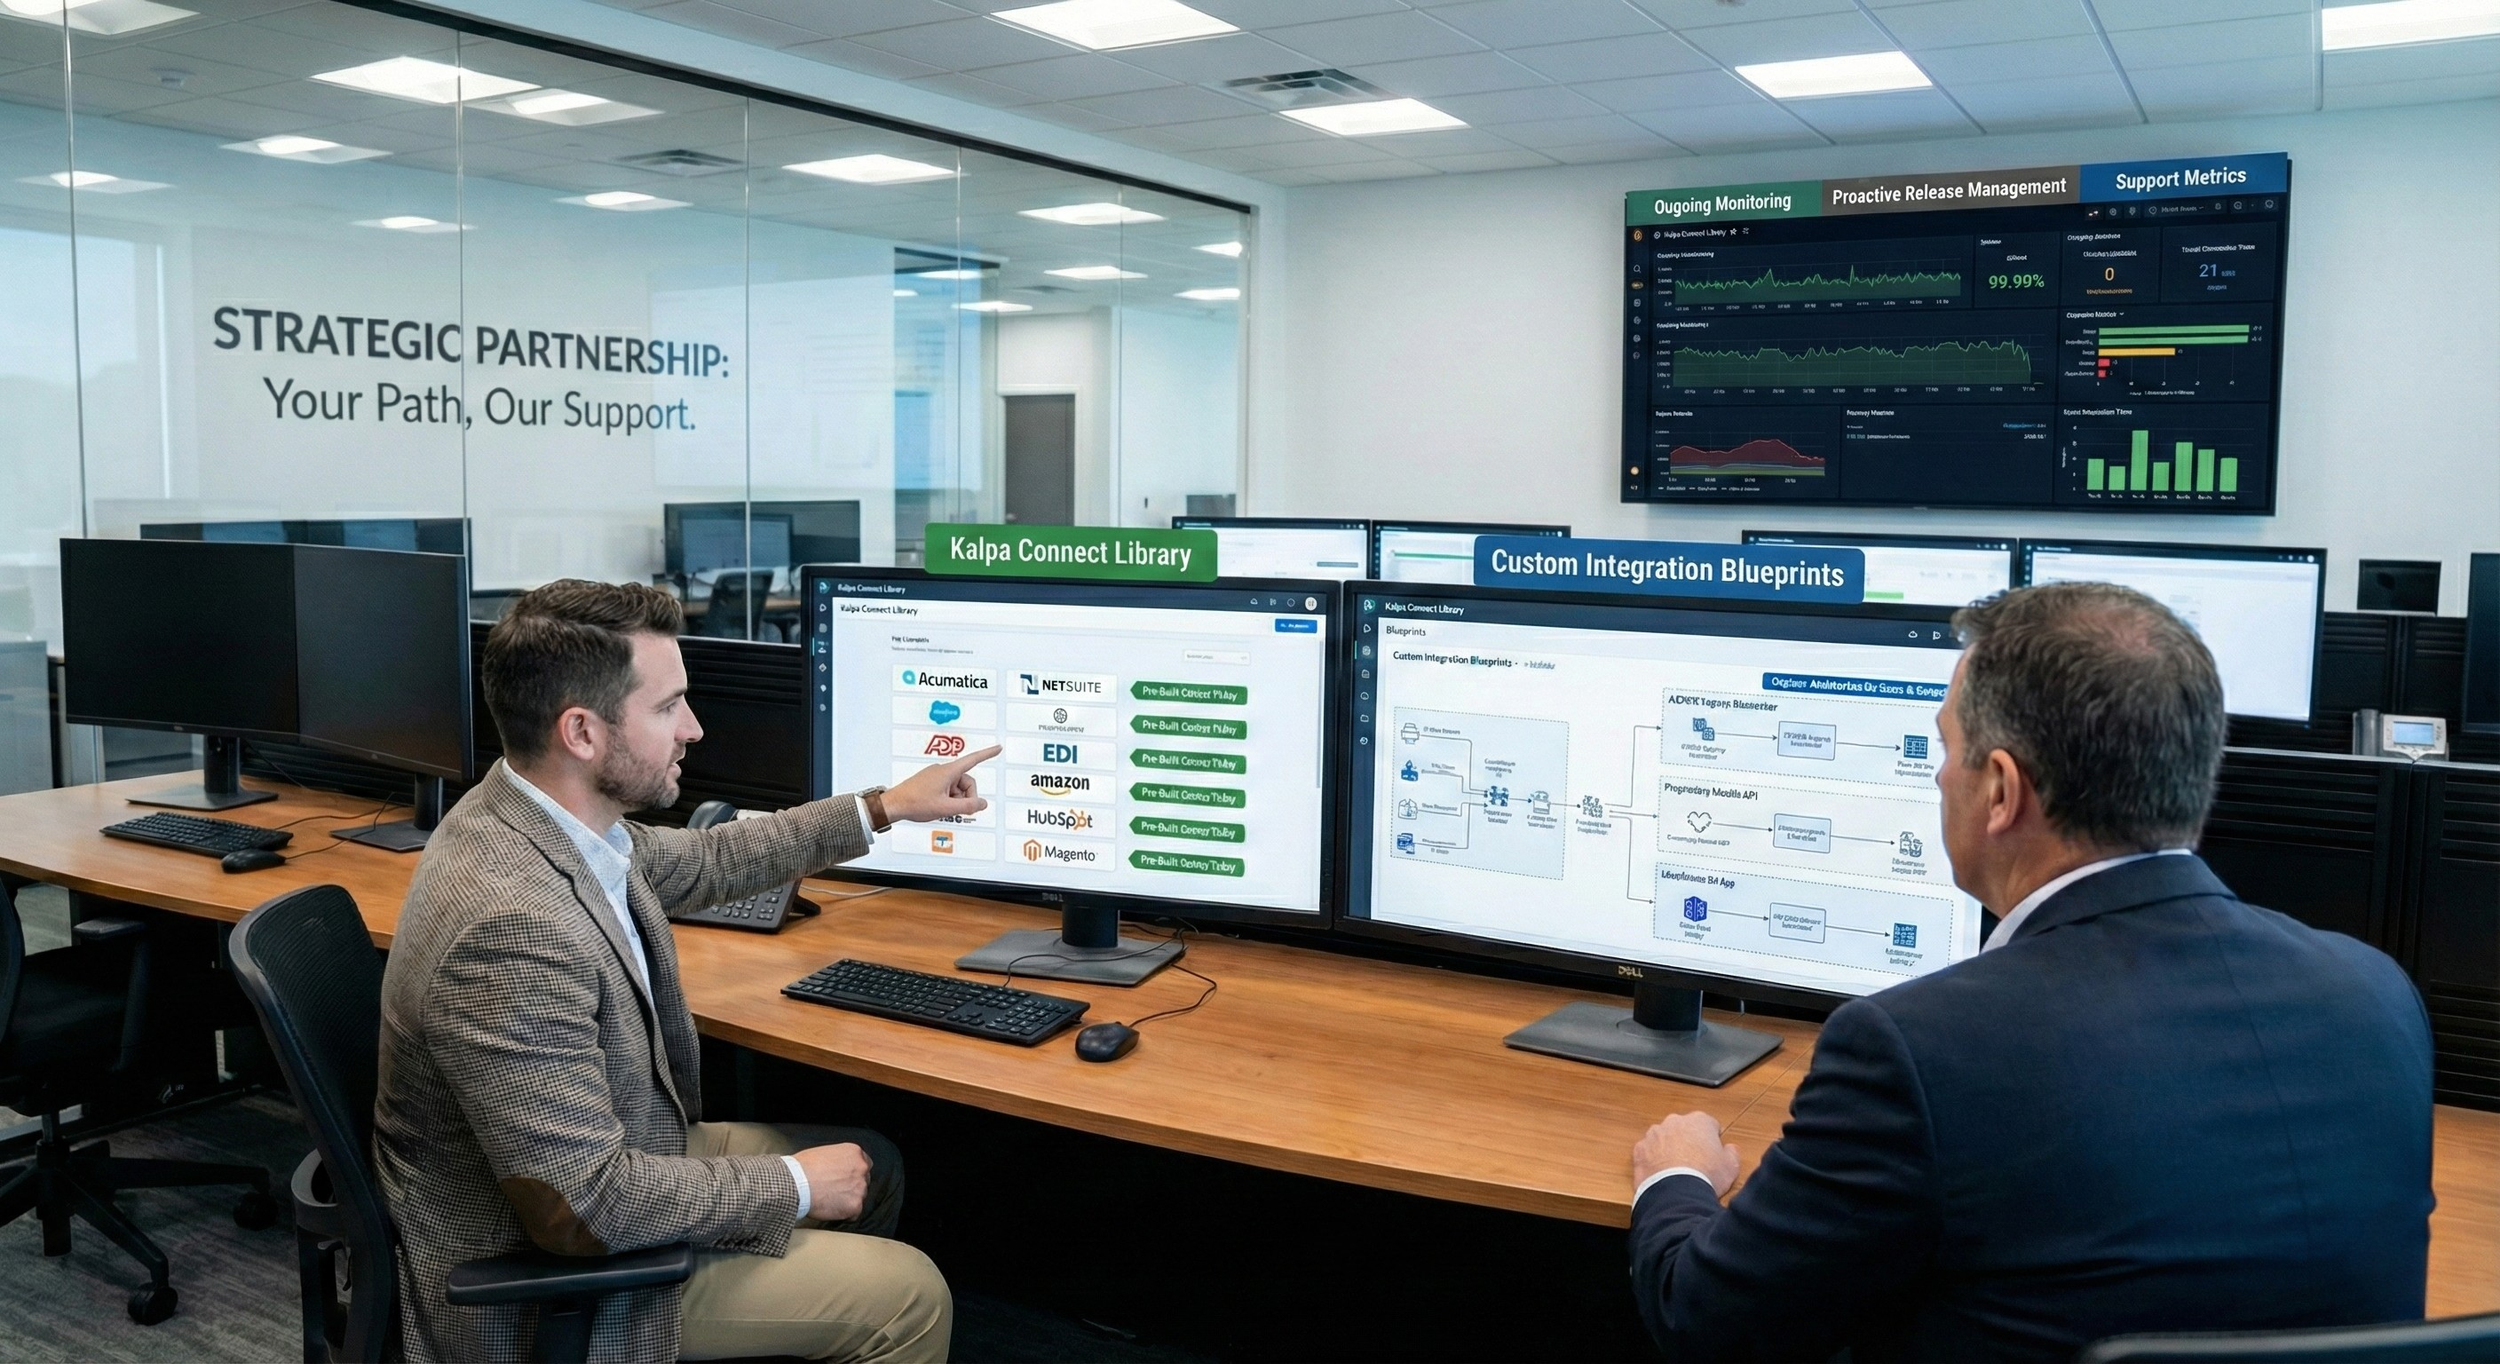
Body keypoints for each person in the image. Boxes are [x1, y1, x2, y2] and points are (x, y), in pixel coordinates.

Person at [1626, 582, 2435, 1363]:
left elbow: (1707, 1319)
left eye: (1946, 747)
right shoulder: (2374, 995)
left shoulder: (1920, 1050)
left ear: (2002, 790)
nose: (1939, 774)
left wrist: (1678, 1175)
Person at [376, 580, 994, 1363]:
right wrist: (794, 1185)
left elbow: (705, 858)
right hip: (558, 1277)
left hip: (602, 1169)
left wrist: (884, 807)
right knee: (907, 1296)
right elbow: (586, 1205)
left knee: (877, 1165)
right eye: (668, 707)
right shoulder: (511, 928)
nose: (693, 729)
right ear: (583, 732)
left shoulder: (535, 816)